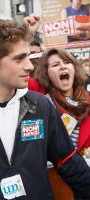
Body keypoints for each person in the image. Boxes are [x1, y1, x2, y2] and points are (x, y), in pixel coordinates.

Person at [0, 18, 90, 200]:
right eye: (19, 58)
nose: (29, 66)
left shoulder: (41, 107)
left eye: (28, 56)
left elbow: (71, 164)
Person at [28, 48, 90, 199]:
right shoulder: (43, 104)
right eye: (55, 65)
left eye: (67, 62)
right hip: (58, 183)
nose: (62, 66)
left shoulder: (88, 100)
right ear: (47, 73)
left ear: (74, 69)